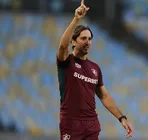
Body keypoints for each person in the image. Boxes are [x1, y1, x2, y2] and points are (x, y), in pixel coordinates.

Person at [56, 0, 133, 139]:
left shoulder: (95, 68)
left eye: (90, 39)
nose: (88, 42)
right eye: (83, 38)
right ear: (73, 42)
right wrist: (76, 19)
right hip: (71, 123)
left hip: (91, 124)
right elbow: (62, 47)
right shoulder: (67, 62)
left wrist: (122, 118)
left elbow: (104, 96)